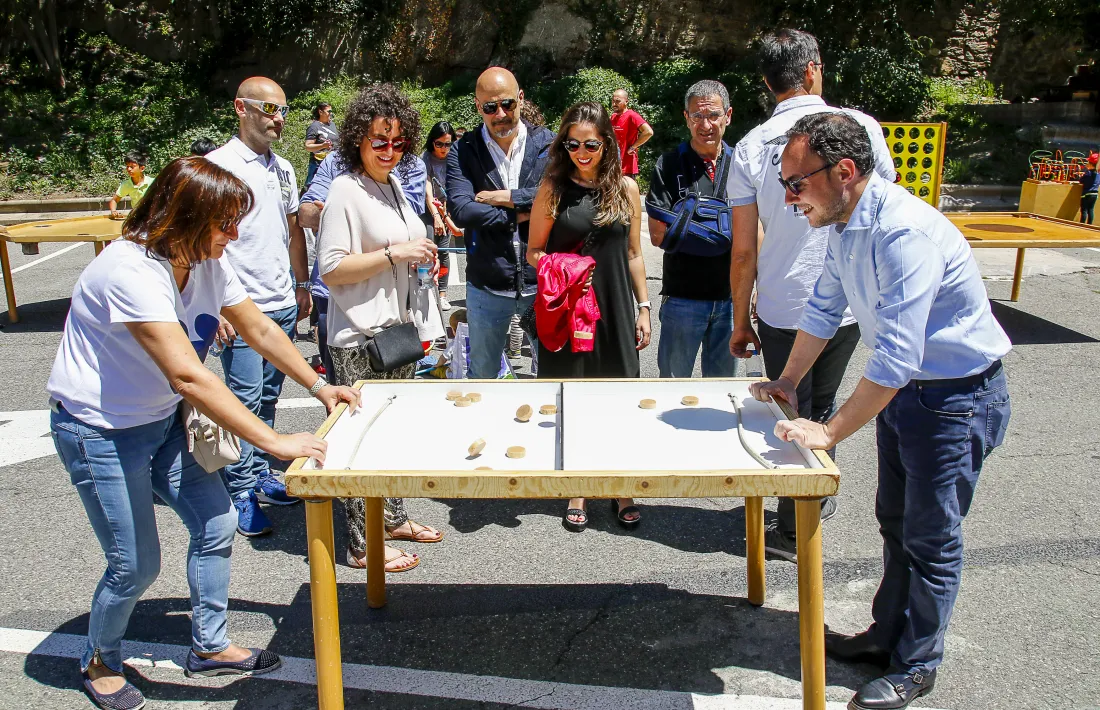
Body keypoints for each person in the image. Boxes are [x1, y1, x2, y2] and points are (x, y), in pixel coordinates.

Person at [47, 156, 361, 710]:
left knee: (216, 523)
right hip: (99, 430)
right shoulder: (128, 271)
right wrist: (274, 440)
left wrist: (318, 386)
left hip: (162, 420)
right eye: (225, 223)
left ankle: (209, 646)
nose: (234, 234)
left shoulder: (208, 260)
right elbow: (189, 375)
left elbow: (258, 326)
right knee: (135, 563)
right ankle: (99, 658)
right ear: (183, 217)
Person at [751, 112, 1011, 710]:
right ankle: (885, 635)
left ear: (844, 171)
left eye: (796, 184)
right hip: (913, 398)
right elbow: (823, 309)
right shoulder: (844, 225)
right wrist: (788, 382)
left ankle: (918, 664)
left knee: (932, 537)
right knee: (895, 522)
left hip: (955, 399)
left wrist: (829, 428)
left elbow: (895, 357)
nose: (789, 199)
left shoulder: (902, 235)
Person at [727, 28, 897, 562]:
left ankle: (793, 519)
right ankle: (799, 520)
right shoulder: (858, 128)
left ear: (766, 82)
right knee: (818, 405)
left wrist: (740, 319)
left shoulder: (752, 145)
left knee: (787, 402)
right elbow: (880, 211)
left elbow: (743, 249)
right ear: (814, 68)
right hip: (843, 300)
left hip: (779, 299)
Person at [318, 83, 447, 573]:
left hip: (396, 331)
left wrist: (420, 257)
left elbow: (404, 245)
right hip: (358, 337)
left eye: (397, 142)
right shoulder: (345, 190)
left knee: (390, 434)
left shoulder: (391, 185)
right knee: (358, 442)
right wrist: (396, 254)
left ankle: (390, 517)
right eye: (379, 141)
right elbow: (331, 269)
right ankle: (359, 542)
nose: (389, 151)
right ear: (358, 141)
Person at [527, 101, 651, 531]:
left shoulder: (628, 190)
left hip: (615, 307)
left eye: (591, 144)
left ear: (607, 144)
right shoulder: (553, 189)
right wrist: (563, 269)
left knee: (618, 398)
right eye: (573, 143)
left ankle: (621, 487)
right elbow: (533, 252)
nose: (582, 152)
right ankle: (577, 485)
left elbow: (635, 254)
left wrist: (644, 307)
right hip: (570, 308)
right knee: (573, 398)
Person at [206, 77, 312, 536]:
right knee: (243, 402)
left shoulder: (284, 167)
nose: (278, 118)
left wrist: (302, 284)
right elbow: (201, 243)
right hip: (240, 308)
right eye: (268, 109)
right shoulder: (217, 167)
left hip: (282, 300)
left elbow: (292, 231)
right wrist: (217, 309)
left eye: (283, 110)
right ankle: (239, 492)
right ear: (240, 108)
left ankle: (261, 477)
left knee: (268, 398)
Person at [447, 67, 556, 379]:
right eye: (490, 107)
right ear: (478, 106)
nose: (501, 114)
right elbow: (462, 210)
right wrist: (520, 212)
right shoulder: (464, 150)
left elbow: (560, 196)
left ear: (521, 99)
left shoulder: (548, 145)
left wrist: (507, 196)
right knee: (482, 376)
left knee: (552, 373)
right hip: (487, 284)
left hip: (543, 282)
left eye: (508, 104)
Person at [646, 80, 738, 379]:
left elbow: (756, 232)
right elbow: (658, 235)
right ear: (686, 117)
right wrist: (723, 232)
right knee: (673, 389)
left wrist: (686, 224)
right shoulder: (670, 163)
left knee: (723, 392)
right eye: (697, 116)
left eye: (713, 115)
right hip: (682, 297)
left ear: (728, 115)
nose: (706, 124)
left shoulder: (742, 165)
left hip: (731, 299)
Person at [423, 121, 463, 311]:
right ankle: (427, 292)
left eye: (447, 144)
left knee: (444, 251)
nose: (443, 149)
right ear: (432, 143)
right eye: (439, 144)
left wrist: (446, 216)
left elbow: (453, 189)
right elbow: (428, 191)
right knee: (429, 250)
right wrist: (437, 217)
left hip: (447, 206)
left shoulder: (455, 158)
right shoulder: (426, 159)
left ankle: (443, 293)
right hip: (428, 208)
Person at [610, 89, 653, 180]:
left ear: (626, 101)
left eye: (618, 101)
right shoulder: (613, 117)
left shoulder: (632, 115)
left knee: (627, 194)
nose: (614, 104)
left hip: (627, 167)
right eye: (613, 101)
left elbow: (648, 132)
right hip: (614, 166)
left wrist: (633, 147)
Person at [107, 152, 153, 218]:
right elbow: (114, 200)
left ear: (142, 168)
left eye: (132, 167)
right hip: (137, 216)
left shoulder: (152, 182)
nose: (129, 169)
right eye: (127, 166)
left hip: (152, 216)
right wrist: (113, 211)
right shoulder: (126, 185)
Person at [304, 102, 339, 187]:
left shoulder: (332, 125)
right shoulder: (314, 126)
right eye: (328, 111)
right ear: (320, 112)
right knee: (314, 188)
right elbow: (308, 146)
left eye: (331, 111)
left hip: (333, 164)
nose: (331, 114)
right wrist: (322, 146)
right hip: (317, 165)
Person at [1079, 152, 1099, 224]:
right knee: (1091, 209)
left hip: (1086, 194)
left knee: (1084, 210)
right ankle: (1089, 225)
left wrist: (1082, 175)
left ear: (1091, 164)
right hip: (1095, 194)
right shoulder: (1098, 174)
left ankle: (1082, 225)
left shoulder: (1088, 173)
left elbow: (1081, 180)